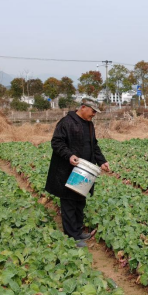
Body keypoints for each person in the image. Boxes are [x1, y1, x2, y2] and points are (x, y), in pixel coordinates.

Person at [45, 97, 110, 247]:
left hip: (84, 170)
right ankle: (72, 237)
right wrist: (69, 155)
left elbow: (94, 145)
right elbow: (56, 142)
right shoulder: (66, 122)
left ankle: (78, 231)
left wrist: (102, 161)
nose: (94, 114)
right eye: (93, 111)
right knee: (68, 202)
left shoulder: (89, 124)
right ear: (83, 107)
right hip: (67, 170)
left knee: (80, 200)